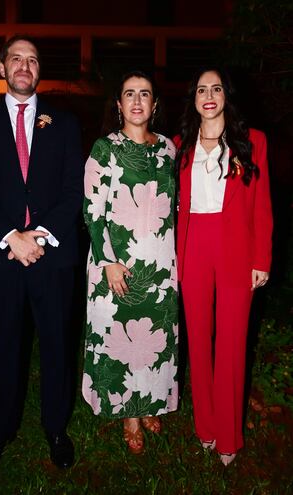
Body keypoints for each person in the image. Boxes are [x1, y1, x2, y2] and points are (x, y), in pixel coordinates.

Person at [0, 36, 84, 473]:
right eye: (16, 58)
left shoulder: (65, 125)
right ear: (4, 68)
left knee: (55, 345)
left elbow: (74, 191)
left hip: (53, 256)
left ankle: (55, 428)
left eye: (32, 59)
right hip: (2, 257)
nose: (24, 66)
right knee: (6, 346)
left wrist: (42, 235)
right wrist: (11, 235)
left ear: (39, 69)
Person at [174, 68, 273, 465]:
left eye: (216, 88)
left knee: (232, 341)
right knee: (198, 338)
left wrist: (261, 259)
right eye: (202, 89)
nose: (209, 95)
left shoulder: (253, 142)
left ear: (227, 96)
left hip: (236, 248)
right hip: (193, 245)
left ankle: (229, 436)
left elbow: (263, 205)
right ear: (194, 99)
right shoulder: (180, 145)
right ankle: (206, 427)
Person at [82, 71, 179, 454]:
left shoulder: (169, 149)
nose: (137, 101)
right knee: (122, 340)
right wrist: (108, 260)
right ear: (118, 104)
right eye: (129, 94)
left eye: (145, 94)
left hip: (160, 264)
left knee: (155, 340)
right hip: (117, 262)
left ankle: (150, 402)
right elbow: (92, 210)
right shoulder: (105, 149)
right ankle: (130, 415)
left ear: (154, 105)